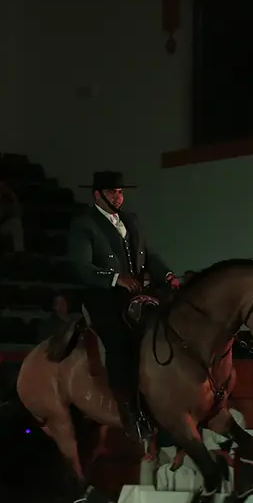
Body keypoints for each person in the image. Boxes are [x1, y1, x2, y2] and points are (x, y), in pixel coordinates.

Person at [66, 170, 178, 443]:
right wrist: (115, 278)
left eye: (120, 192)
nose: (119, 197)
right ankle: (128, 409)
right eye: (113, 192)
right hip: (103, 296)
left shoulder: (132, 220)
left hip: (137, 295)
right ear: (98, 195)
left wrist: (168, 276)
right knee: (118, 340)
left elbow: (150, 256)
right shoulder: (84, 224)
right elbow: (82, 267)